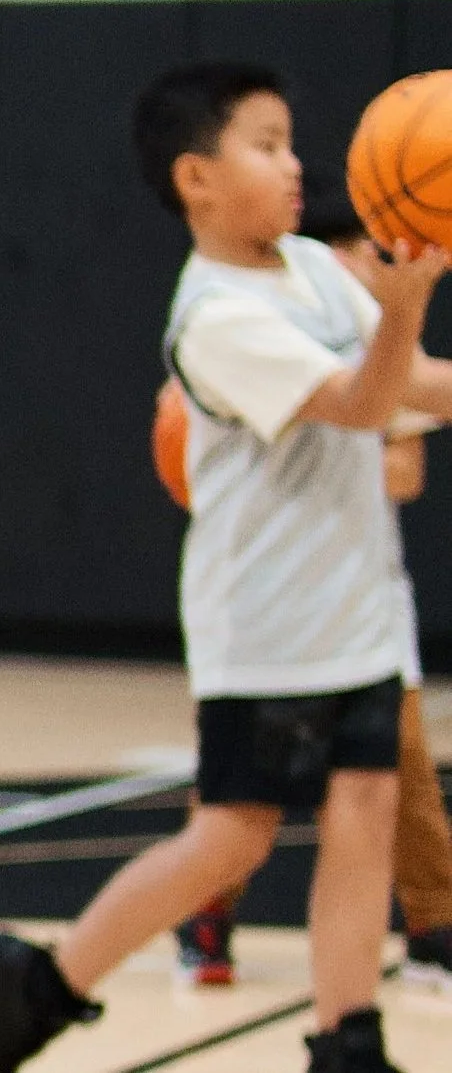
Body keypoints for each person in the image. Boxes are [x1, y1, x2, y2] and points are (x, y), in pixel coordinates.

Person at [0, 63, 452, 1073]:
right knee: (232, 837)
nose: (293, 166)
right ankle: (47, 979)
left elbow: (407, 386)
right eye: (265, 145)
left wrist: (398, 317)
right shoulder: (212, 314)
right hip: (266, 625)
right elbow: (362, 402)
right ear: (196, 178)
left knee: (363, 811)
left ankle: (345, 1034)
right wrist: (406, 301)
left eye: (289, 143)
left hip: (356, 604)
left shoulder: (316, 271)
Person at [167, 193, 452, 993]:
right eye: (356, 250)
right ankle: (184, 922)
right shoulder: (241, 331)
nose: (368, 265)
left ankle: (421, 942)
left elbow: (405, 461)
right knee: (240, 813)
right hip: (276, 612)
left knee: (389, 782)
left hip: (361, 608)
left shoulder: (365, 337)